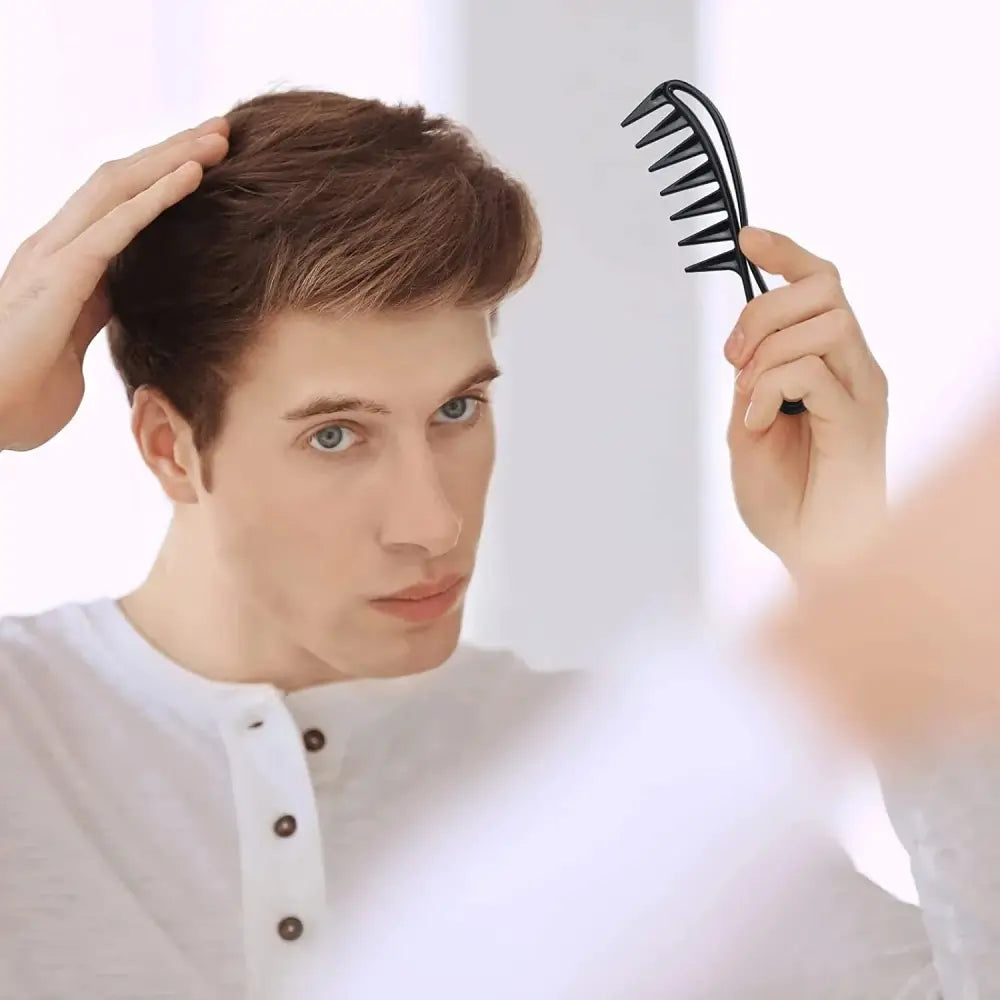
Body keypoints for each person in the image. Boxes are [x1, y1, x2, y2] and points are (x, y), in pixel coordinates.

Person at [0, 88, 947, 998]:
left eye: (458, 408)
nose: (434, 524)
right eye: (335, 434)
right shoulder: (26, 735)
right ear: (171, 448)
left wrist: (860, 569)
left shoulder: (597, 781)